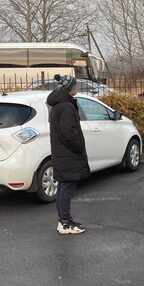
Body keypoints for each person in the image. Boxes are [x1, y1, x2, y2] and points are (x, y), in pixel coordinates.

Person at [47, 75, 90, 235]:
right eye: (74, 85)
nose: (76, 87)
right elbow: (69, 132)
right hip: (68, 153)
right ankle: (65, 222)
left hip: (62, 153)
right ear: (68, 88)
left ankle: (63, 220)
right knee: (67, 188)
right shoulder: (66, 106)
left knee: (64, 187)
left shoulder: (59, 104)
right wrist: (78, 148)